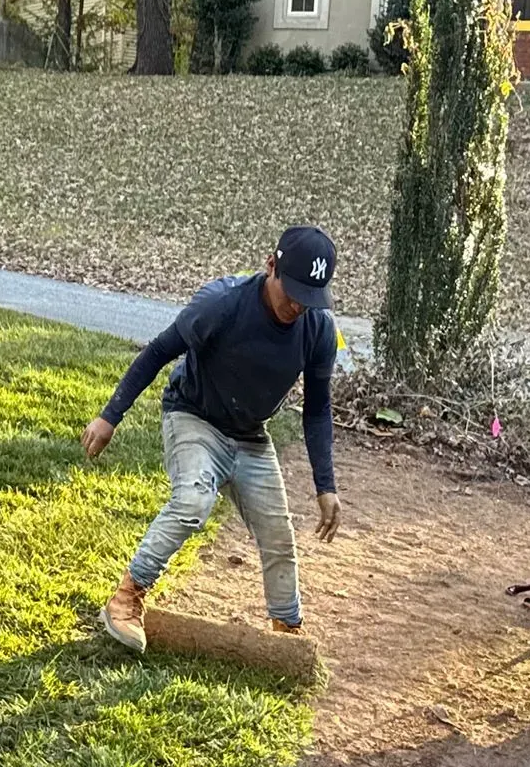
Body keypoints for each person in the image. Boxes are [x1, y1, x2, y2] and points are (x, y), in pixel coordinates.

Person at [82, 226, 343, 652]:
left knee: (279, 536)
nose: (298, 305)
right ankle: (126, 597)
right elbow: (158, 351)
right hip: (194, 417)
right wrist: (110, 416)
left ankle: (287, 635)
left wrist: (325, 486)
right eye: (292, 291)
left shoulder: (318, 329)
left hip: (251, 435)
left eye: (309, 297)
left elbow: (317, 409)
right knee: (193, 500)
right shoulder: (222, 303)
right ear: (270, 266)